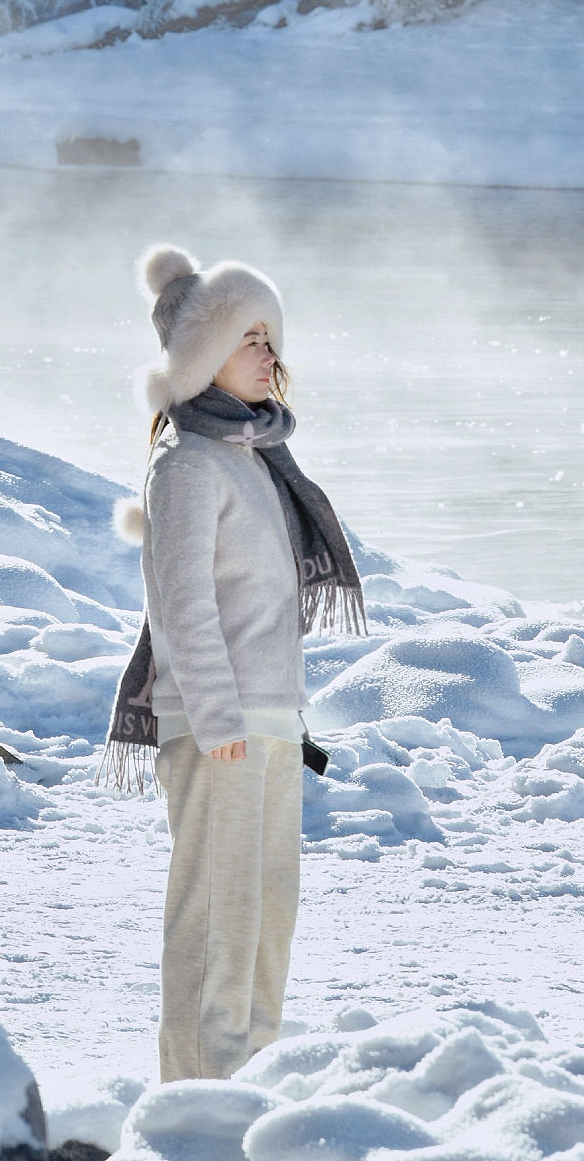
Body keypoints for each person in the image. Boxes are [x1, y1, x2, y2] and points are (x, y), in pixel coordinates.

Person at [103, 244, 366, 1084]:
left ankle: (248, 1085)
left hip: (267, 721)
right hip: (216, 725)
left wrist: (272, 721)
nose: (268, 354)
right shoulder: (186, 466)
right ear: (199, 358)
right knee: (215, 918)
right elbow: (180, 605)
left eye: (268, 335)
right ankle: (194, 1098)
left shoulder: (253, 458)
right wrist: (216, 719)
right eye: (247, 337)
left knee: (263, 917)